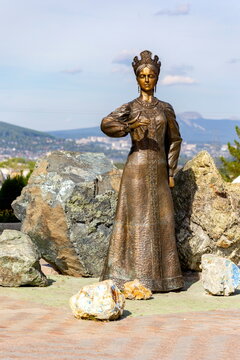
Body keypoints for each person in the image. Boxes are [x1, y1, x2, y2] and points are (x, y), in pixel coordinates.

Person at [100, 50, 184, 292]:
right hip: (136, 167)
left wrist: (170, 172)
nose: (147, 80)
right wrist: (129, 126)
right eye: (142, 76)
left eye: (151, 75)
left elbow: (175, 140)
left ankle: (164, 278)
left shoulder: (165, 108)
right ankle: (129, 276)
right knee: (135, 221)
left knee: (161, 220)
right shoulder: (130, 106)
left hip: (158, 169)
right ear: (136, 79)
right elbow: (106, 123)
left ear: (157, 78)